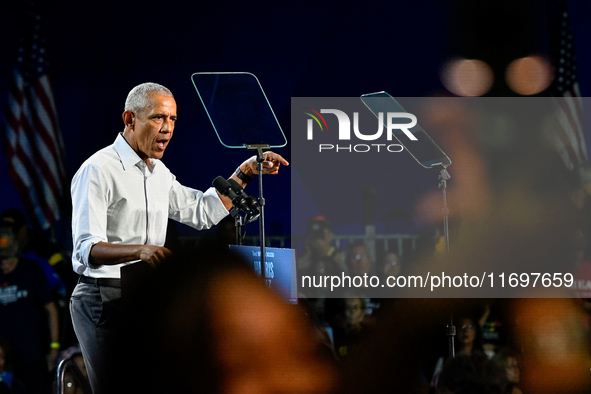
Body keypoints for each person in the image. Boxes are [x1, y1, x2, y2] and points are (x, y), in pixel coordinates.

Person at [69, 82, 288, 393]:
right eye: (158, 118)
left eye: (172, 120)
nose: (168, 128)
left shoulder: (158, 172)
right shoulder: (99, 169)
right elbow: (86, 249)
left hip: (141, 294)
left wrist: (246, 172)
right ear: (130, 119)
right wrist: (142, 250)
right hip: (102, 298)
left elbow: (203, 212)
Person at [0, 225, 60, 394]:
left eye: (7, 258)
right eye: (0, 260)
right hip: (4, 358)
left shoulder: (31, 270)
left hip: (31, 355)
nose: (3, 264)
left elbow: (51, 309)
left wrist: (54, 347)